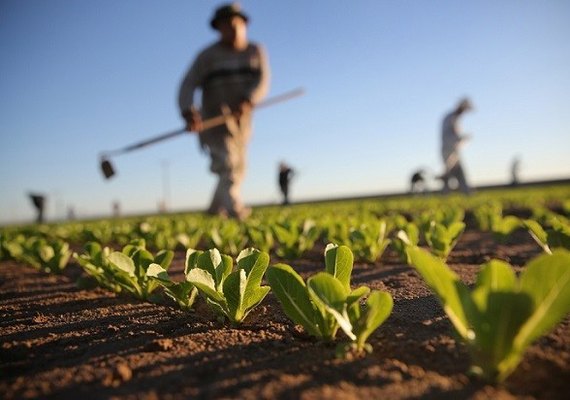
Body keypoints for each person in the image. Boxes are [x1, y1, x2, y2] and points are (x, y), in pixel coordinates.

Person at [178, 3, 270, 220]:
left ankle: (213, 211)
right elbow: (187, 84)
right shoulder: (207, 56)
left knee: (238, 167)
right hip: (214, 121)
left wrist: (249, 99)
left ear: (244, 24)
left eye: (236, 24)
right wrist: (188, 111)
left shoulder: (255, 51)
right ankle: (235, 211)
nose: (232, 29)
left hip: (242, 123)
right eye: (226, 25)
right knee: (227, 164)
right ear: (218, 28)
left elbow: (262, 80)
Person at [439, 98, 473, 194]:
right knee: (450, 173)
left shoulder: (451, 117)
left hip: (450, 149)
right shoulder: (452, 118)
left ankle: (465, 192)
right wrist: (464, 138)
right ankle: (463, 193)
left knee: (456, 172)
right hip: (449, 150)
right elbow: (453, 134)